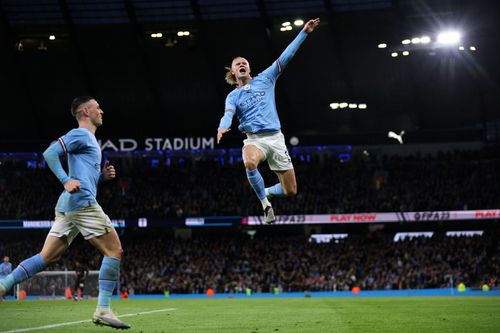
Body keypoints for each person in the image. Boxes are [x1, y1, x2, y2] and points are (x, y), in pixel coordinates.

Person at [0, 96, 130, 329]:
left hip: (69, 205)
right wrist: (65, 179)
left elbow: (86, 180)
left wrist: (102, 178)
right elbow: (49, 153)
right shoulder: (80, 134)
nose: (102, 110)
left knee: (46, 257)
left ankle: (3, 284)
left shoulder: (89, 140)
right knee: (114, 250)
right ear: (85, 111)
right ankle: (103, 309)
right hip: (81, 202)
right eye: (97, 107)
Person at [217, 18, 320, 223]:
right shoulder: (233, 96)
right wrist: (223, 126)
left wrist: (304, 32)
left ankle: (266, 191)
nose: (242, 64)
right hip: (255, 140)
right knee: (249, 162)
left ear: (249, 68)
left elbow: (287, 55)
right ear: (233, 72)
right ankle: (265, 205)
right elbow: (228, 113)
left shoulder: (266, 78)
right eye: (238, 64)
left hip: (276, 139)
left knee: (290, 190)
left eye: (244, 62)